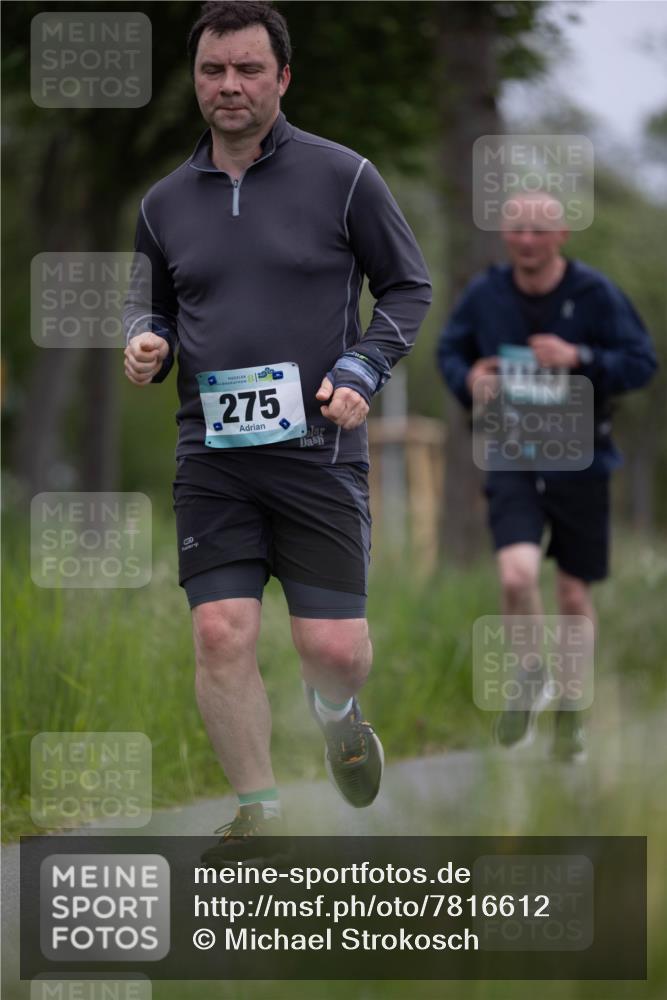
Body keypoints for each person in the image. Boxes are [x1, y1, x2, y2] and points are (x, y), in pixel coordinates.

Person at [123, 1, 431, 857]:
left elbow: (406, 289)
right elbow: (150, 301)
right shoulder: (160, 203)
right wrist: (144, 341)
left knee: (331, 648)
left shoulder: (345, 178)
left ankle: (335, 712)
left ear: (282, 77)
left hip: (317, 450)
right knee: (221, 632)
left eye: (248, 69)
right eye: (213, 70)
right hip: (212, 453)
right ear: (195, 79)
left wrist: (361, 368)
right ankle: (261, 811)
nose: (229, 86)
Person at [437, 191, 656, 760]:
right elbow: (449, 351)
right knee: (515, 575)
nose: (527, 240)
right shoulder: (486, 292)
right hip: (511, 453)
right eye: (517, 230)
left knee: (573, 592)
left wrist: (578, 358)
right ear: (504, 236)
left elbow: (641, 362)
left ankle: (571, 715)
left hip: (581, 458)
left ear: (562, 235)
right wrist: (471, 380)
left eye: (540, 230)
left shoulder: (594, 293)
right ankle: (532, 675)